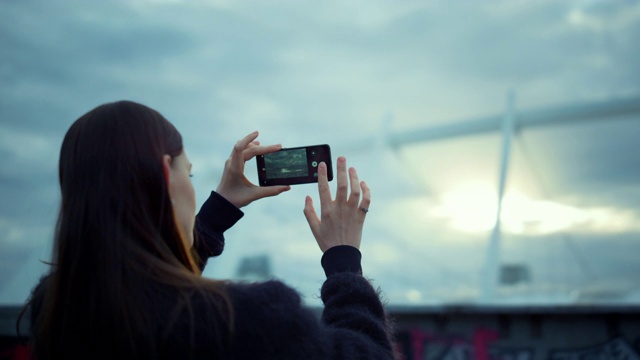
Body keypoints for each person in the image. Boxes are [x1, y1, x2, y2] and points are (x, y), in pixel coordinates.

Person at [25, 100, 396, 359]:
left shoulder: (56, 310)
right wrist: (343, 260)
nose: (191, 183)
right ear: (163, 176)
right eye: (188, 174)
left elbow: (150, 284)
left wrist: (219, 209)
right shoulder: (247, 321)